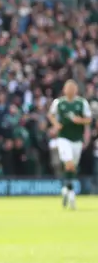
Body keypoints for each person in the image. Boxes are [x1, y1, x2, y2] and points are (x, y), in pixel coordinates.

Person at [48, 79, 92, 210]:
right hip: (63, 138)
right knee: (69, 163)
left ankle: (66, 189)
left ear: (76, 90)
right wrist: (56, 124)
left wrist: (80, 120)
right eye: (68, 88)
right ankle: (72, 193)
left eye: (73, 88)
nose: (71, 90)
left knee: (72, 167)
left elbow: (89, 119)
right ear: (64, 89)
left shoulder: (81, 103)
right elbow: (51, 115)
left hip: (77, 139)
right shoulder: (59, 103)